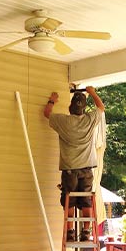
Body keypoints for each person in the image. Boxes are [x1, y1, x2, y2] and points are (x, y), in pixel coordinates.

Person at [44, 86, 105, 241]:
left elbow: (47, 114)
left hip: (69, 169)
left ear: (70, 107)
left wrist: (52, 100)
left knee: (69, 199)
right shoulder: (90, 119)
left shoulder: (63, 121)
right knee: (86, 200)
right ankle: (86, 232)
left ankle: (70, 232)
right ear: (83, 108)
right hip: (86, 169)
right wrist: (92, 92)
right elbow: (101, 108)